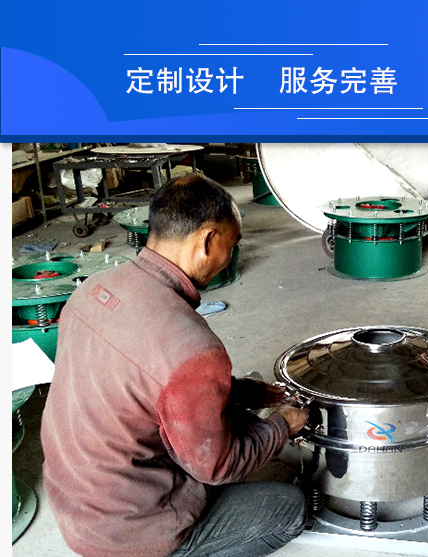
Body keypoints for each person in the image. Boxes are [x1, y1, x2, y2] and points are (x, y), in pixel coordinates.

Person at [41, 174, 309, 557]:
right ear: (207, 240)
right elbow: (217, 468)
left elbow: (142, 380)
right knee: (289, 506)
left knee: (233, 408)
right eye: (231, 245)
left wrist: (242, 391)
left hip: (74, 502)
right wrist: (283, 425)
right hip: (128, 531)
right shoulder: (194, 350)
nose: (229, 257)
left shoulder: (92, 289)